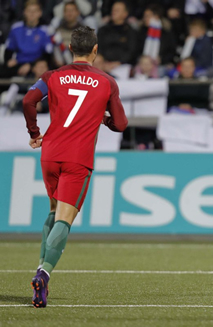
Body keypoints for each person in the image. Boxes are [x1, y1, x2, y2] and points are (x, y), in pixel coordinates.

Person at [22, 26, 128, 308]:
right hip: (78, 158)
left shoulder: (52, 76)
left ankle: (41, 271)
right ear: (95, 49)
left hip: (51, 153)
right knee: (64, 220)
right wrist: (102, 119)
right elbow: (121, 124)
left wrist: (34, 133)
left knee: (54, 211)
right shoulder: (106, 82)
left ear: (70, 49)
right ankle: (43, 273)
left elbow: (28, 101)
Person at [0, 0, 52, 78]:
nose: (32, 14)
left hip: (36, 64)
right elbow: (9, 49)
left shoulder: (46, 30)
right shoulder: (16, 28)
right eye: (29, 11)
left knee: (44, 69)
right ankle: (11, 89)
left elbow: (47, 54)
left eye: (35, 11)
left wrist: (31, 65)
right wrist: (9, 60)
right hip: (19, 63)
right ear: (24, 12)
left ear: (40, 13)